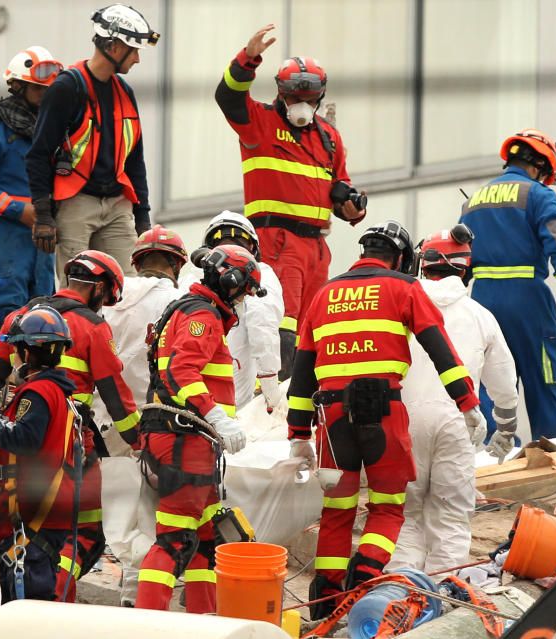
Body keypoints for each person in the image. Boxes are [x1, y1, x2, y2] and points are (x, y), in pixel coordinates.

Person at [285, 220, 484, 620]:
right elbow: (440, 348)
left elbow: (302, 369)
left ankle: (325, 598)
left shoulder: (324, 295)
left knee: (338, 509)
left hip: (331, 418)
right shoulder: (404, 288)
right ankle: (364, 577)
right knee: (389, 506)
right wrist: (467, 402)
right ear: (399, 258)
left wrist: (298, 433)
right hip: (385, 412)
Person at [0, 249, 140, 596]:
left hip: (19, 445)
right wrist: (140, 443)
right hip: (74, 445)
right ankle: (54, 599)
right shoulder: (93, 326)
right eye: (106, 298)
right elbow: (115, 395)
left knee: (23, 533)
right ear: (99, 288)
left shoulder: (19, 317)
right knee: (86, 533)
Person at [216, 24, 367, 381]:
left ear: (320, 95)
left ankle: (302, 399)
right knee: (280, 320)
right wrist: (247, 59)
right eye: (294, 94)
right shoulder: (260, 123)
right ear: (281, 92)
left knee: (313, 326)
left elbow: (340, 185)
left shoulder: (328, 137)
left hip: (316, 247)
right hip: (277, 241)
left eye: (309, 96)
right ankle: (274, 394)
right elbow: (228, 96)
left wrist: (352, 208)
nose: (302, 103)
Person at [136, 245, 264, 614]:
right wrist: (218, 417)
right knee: (174, 539)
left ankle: (203, 619)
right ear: (229, 281)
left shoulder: (187, 310)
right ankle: (148, 624)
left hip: (187, 438)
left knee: (206, 539)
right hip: (184, 438)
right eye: (243, 290)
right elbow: (181, 372)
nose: (242, 300)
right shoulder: (202, 315)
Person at [388, 226, 519, 574]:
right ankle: (440, 599)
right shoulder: (479, 316)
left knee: (403, 517)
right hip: (459, 421)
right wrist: (505, 428)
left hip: (404, 423)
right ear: (465, 269)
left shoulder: (397, 309)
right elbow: (504, 383)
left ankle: (396, 597)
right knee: (449, 520)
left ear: (422, 264)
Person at [460, 129, 556, 440]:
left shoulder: (473, 202)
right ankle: (551, 452)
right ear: (539, 165)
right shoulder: (539, 195)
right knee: (543, 376)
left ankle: (494, 458)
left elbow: (461, 258)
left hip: (482, 302)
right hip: (527, 299)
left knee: (492, 382)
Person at [26, 4, 159, 279]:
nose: (137, 59)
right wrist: (43, 214)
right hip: (76, 202)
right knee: (77, 289)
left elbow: (135, 160)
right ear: (113, 47)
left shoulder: (125, 92)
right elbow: (38, 154)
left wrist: (142, 215)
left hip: (117, 205)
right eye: (133, 50)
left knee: (129, 291)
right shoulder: (66, 89)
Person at [92, 225, 187, 606]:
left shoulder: (110, 298)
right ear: (178, 265)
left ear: (136, 261)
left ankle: (118, 579)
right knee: (152, 509)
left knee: (112, 506)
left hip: (107, 417)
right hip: (161, 420)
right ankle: (136, 593)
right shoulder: (182, 302)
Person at [0, 305, 82, 602]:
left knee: (26, 606)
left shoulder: (39, 392)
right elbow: (24, 427)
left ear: (27, 353)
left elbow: (24, 439)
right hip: (42, 511)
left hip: (32, 515)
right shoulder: (54, 391)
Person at [0, 46, 63, 352]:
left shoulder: (54, 132)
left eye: (49, 90)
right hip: (4, 242)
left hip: (41, 248)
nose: (45, 97)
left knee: (45, 324)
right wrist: (21, 211)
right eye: (37, 89)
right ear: (18, 86)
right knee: (2, 331)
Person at [178, 211, 285, 412]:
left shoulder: (189, 280)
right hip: (233, 406)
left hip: (186, 399)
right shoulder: (261, 274)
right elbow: (262, 324)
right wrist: (271, 391)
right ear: (252, 247)